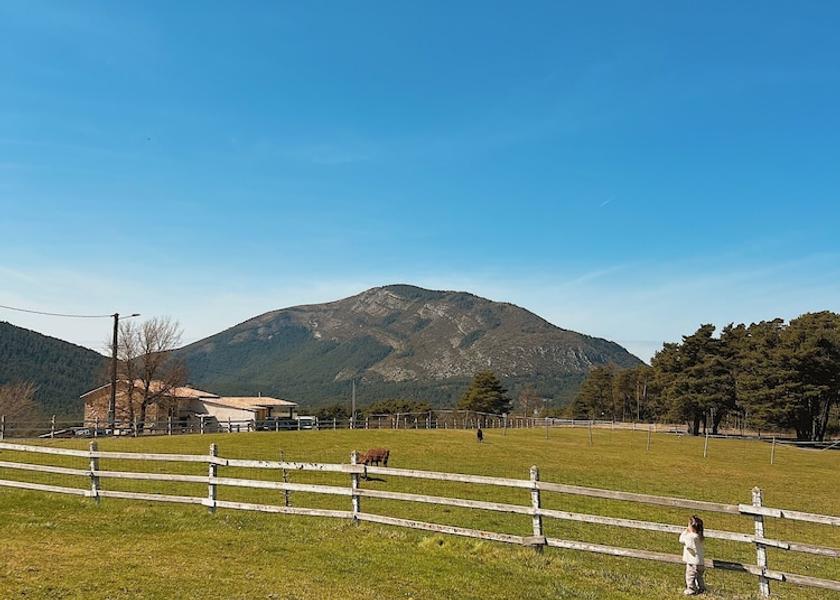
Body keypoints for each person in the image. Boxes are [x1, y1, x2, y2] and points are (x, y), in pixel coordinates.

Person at [679, 515, 706, 595]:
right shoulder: (699, 537)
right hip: (700, 562)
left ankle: (691, 590)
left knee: (690, 577)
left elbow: (681, 540)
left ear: (692, 527)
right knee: (699, 577)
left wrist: (685, 531)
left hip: (692, 562)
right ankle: (701, 588)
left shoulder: (690, 537)